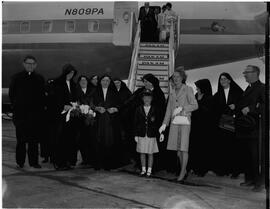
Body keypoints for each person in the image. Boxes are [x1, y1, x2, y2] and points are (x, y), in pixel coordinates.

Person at [159, 67, 198, 182]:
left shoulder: (188, 89)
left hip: (185, 122)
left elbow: (195, 105)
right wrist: (164, 124)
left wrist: (182, 108)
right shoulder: (172, 92)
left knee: (183, 148)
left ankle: (182, 173)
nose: (175, 79)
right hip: (174, 123)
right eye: (174, 77)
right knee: (177, 150)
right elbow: (168, 110)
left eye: (178, 77)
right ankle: (184, 170)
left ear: (182, 78)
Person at [9, 55, 45, 169]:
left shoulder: (39, 78)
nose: (30, 66)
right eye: (28, 63)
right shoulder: (16, 78)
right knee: (21, 140)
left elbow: (42, 97)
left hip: (35, 116)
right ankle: (20, 162)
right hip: (21, 116)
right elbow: (12, 95)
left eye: (33, 64)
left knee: (33, 141)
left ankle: (33, 162)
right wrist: (16, 109)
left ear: (36, 65)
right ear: (24, 64)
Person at [236, 65, 265, 192]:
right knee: (247, 155)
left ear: (255, 73)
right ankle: (250, 179)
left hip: (256, 130)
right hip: (246, 128)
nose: (244, 74)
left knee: (256, 156)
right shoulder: (248, 89)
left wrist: (252, 109)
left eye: (246, 72)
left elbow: (265, 106)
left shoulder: (262, 88)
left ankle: (260, 183)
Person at [212, 73, 244, 177]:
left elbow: (244, 104)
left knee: (234, 147)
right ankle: (223, 169)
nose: (223, 81)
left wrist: (236, 106)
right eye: (221, 79)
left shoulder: (238, 92)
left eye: (225, 79)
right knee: (223, 147)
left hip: (234, 123)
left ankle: (235, 171)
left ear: (230, 80)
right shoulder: (217, 95)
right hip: (222, 124)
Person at [92, 75, 121, 170]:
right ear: (100, 82)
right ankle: (97, 164)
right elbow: (90, 103)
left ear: (110, 82)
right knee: (98, 140)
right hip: (98, 121)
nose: (105, 82)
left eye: (107, 80)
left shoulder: (114, 92)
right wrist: (96, 108)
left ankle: (108, 164)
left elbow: (121, 104)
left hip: (110, 121)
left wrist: (115, 109)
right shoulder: (95, 91)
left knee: (109, 141)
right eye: (103, 80)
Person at [53, 64, 78, 170]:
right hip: (60, 116)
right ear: (65, 72)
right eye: (69, 73)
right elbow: (53, 98)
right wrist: (63, 105)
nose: (71, 75)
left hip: (70, 117)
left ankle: (66, 161)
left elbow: (75, 98)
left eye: (73, 73)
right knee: (60, 139)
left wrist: (76, 105)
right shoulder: (57, 83)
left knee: (69, 139)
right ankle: (58, 162)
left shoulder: (73, 84)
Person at [188, 79, 214, 177]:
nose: (197, 89)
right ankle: (193, 167)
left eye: (198, 87)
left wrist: (197, 107)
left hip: (204, 128)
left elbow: (209, 113)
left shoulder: (210, 98)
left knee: (202, 148)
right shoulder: (195, 96)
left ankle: (201, 169)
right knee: (194, 147)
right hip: (194, 126)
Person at [134, 89, 161, 177]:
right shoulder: (138, 109)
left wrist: (159, 133)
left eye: (148, 97)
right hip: (141, 134)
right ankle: (143, 169)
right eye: (145, 97)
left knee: (150, 153)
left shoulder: (155, 109)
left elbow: (157, 122)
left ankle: (149, 170)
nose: (147, 99)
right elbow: (136, 122)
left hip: (151, 134)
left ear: (151, 99)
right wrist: (136, 134)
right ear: (142, 99)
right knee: (142, 152)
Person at [76, 75, 95, 166]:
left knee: (91, 139)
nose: (83, 82)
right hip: (79, 120)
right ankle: (85, 159)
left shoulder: (93, 91)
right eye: (81, 80)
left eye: (85, 80)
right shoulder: (76, 92)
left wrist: (91, 110)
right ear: (79, 82)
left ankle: (91, 160)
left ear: (88, 82)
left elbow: (95, 103)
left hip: (91, 119)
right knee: (81, 140)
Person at [113, 78, 132, 165]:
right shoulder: (111, 92)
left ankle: (126, 159)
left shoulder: (126, 92)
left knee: (125, 138)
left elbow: (130, 103)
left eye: (118, 83)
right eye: (115, 83)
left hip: (125, 119)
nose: (117, 84)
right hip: (114, 119)